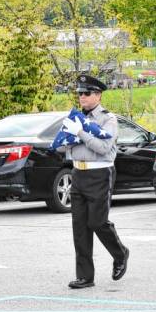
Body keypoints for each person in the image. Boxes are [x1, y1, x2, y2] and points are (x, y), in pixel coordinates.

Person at [61, 75, 129, 289]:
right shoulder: (74, 118)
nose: (82, 97)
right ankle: (85, 276)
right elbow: (62, 147)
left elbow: (103, 147)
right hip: (78, 173)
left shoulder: (107, 119)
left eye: (87, 93)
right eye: (80, 93)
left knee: (98, 222)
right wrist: (68, 136)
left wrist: (80, 133)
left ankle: (120, 253)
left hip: (99, 174)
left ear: (98, 95)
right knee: (79, 227)